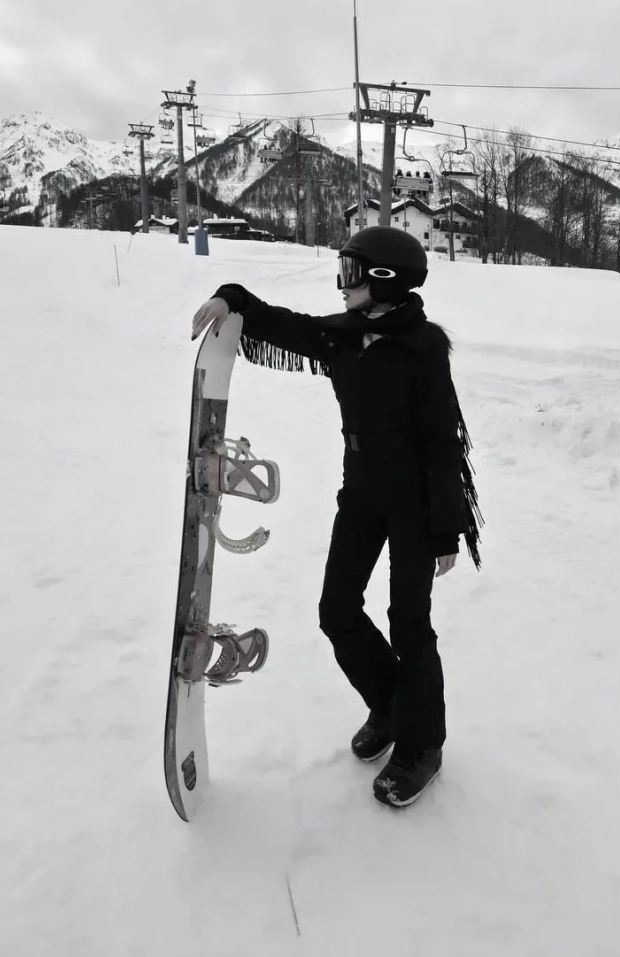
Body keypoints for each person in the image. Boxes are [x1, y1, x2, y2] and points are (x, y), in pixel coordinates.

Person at [191, 226, 481, 808]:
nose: (341, 285)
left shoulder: (423, 349)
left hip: (416, 503)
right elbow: (281, 324)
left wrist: (448, 526)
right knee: (337, 610)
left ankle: (422, 744)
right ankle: (391, 707)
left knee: (409, 624)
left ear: (384, 280)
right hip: (363, 495)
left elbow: (443, 441)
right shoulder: (343, 336)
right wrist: (231, 297)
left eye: (351, 273)